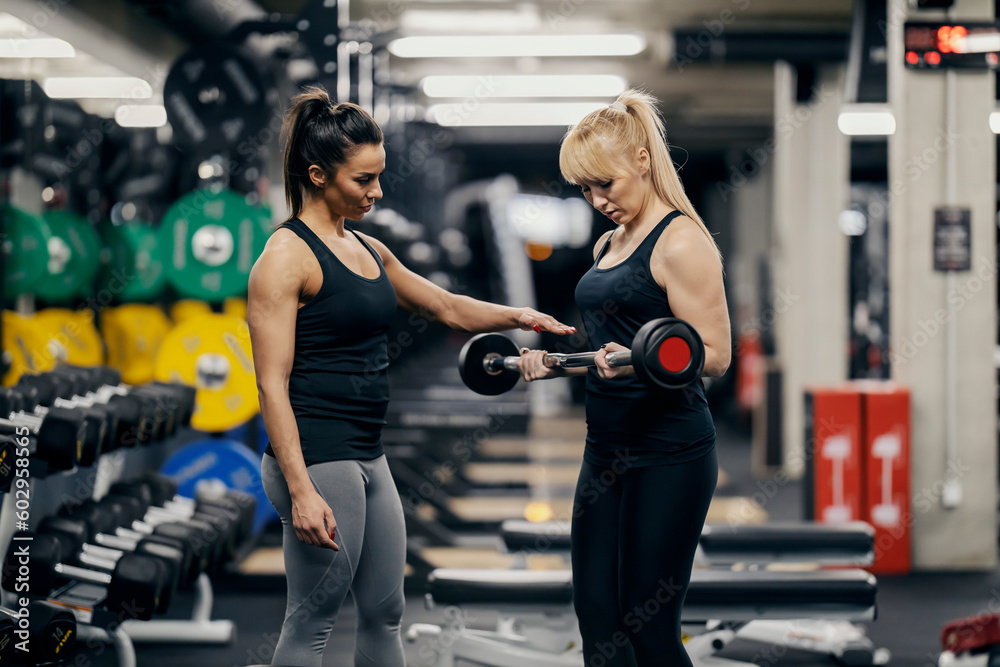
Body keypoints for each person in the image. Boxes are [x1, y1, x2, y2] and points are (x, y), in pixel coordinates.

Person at [247, 86, 575, 667]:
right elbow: (271, 384)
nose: (376, 192)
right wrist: (300, 490)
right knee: (315, 619)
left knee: (385, 612)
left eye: (379, 176)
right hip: (319, 456)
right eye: (363, 180)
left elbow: (445, 306)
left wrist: (518, 316)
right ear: (318, 175)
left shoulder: (368, 250)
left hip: (368, 451)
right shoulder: (284, 259)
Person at [518, 89, 731, 666]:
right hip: (604, 446)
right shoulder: (610, 243)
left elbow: (713, 354)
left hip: (671, 451)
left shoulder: (682, 241)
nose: (597, 201)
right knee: (600, 624)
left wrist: (637, 360)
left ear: (642, 159)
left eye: (604, 184)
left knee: (647, 623)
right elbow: (612, 342)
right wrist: (553, 361)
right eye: (585, 190)